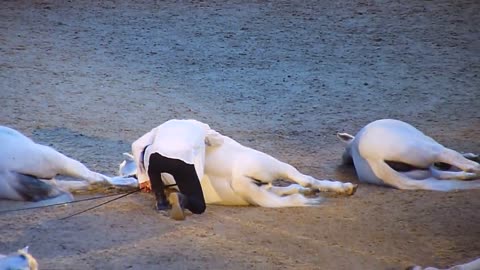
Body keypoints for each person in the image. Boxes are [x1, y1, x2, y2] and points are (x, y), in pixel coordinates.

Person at [131, 119, 221, 220]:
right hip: (180, 162)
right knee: (199, 207)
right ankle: (181, 198)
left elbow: (136, 145)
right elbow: (216, 143)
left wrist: (143, 178)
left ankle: (161, 202)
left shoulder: (167, 124)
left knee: (153, 162)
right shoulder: (203, 129)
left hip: (156, 159)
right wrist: (195, 184)